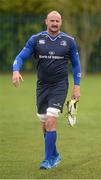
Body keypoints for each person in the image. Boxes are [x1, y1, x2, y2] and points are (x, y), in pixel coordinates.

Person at [12, 11, 81, 169]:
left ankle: (47, 160)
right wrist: (16, 70)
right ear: (46, 22)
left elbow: (77, 64)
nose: (55, 23)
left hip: (60, 85)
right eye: (52, 20)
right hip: (42, 86)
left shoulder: (69, 41)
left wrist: (77, 86)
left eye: (57, 21)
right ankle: (55, 154)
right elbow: (21, 57)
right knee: (44, 124)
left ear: (61, 22)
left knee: (51, 120)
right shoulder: (36, 39)